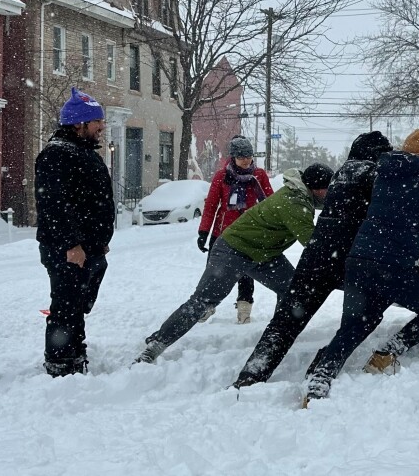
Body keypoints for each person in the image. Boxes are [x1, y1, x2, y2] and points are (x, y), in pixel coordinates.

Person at [303, 130, 419, 405]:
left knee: (355, 325)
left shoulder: (384, 178)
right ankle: (385, 355)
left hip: (359, 262)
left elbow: (410, 198)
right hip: (393, 267)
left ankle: (319, 380)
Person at [233, 131, 393, 389]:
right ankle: (325, 361)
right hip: (347, 261)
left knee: (285, 322)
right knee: (366, 314)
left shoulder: (340, 174)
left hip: (316, 258)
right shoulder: (373, 176)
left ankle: (251, 375)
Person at [134, 163, 334, 364]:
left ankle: (276, 337)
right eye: (328, 189)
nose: (330, 193)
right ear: (315, 188)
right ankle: (155, 345)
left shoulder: (300, 196)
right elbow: (314, 244)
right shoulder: (295, 203)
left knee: (291, 289)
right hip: (233, 250)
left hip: (262, 254)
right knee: (203, 302)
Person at [34, 88, 115, 377]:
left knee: (77, 306)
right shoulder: (57, 155)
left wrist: (98, 242)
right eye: (96, 123)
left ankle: (75, 357)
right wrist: (73, 244)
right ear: (79, 124)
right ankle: (59, 363)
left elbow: (93, 201)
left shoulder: (81, 152)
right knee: (65, 306)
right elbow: (54, 205)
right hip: (67, 249)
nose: (101, 128)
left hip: (86, 247)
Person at [197, 136, 273, 324]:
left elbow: (270, 203)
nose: (246, 160)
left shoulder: (259, 175)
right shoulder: (222, 176)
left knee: (246, 272)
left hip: (249, 232)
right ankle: (206, 306)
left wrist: (270, 227)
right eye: (241, 157)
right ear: (233, 157)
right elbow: (211, 206)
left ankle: (244, 308)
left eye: (248, 156)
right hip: (222, 232)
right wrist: (203, 232)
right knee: (213, 272)